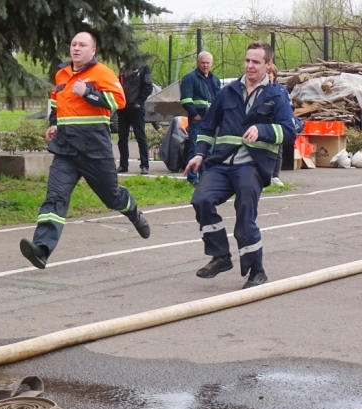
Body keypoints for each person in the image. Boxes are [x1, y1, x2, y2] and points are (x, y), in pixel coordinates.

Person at [19, 32, 151, 269]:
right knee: (55, 197)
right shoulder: (62, 73)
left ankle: (131, 210)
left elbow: (119, 101)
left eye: (82, 45)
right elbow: (56, 102)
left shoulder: (102, 73)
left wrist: (88, 93)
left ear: (93, 51)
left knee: (111, 197)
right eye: (73, 44)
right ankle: (42, 249)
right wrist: (53, 124)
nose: (76, 48)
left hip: (95, 150)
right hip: (66, 150)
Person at [183, 41, 295, 289]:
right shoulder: (228, 91)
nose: (250, 66)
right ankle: (221, 256)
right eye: (247, 61)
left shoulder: (276, 95)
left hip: (252, 166)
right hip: (222, 163)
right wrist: (200, 153)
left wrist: (263, 129)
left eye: (256, 61)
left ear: (268, 64)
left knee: (245, 217)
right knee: (201, 200)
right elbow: (208, 127)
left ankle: (257, 271)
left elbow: (289, 132)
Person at [180, 52, 221, 185]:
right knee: (194, 148)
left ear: (211, 63)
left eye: (207, 63)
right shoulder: (189, 78)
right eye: (202, 62)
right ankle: (192, 178)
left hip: (211, 120)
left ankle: (205, 177)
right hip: (197, 120)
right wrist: (195, 115)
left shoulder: (215, 80)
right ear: (197, 62)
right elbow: (186, 100)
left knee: (208, 149)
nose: (205, 65)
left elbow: (218, 100)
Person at [267, 63, 303, 187]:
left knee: (278, 151)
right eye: (265, 73)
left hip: (279, 124)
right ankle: (265, 176)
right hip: (265, 125)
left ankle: (275, 176)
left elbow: (289, 106)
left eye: (269, 73)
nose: (267, 76)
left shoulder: (281, 89)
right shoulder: (259, 89)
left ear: (274, 75)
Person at [116, 62, 154, 175]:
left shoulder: (144, 68)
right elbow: (119, 85)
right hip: (122, 108)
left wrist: (139, 101)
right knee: (122, 138)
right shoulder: (123, 68)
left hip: (136, 108)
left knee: (140, 137)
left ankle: (144, 165)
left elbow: (148, 86)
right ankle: (123, 165)